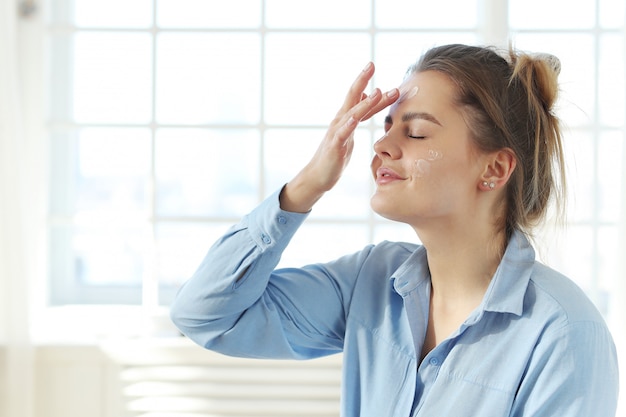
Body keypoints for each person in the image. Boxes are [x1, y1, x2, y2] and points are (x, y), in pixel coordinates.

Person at [170, 44, 619, 416]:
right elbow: (204, 315)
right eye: (385, 127)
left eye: (416, 133)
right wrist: (305, 187)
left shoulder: (563, 332)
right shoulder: (369, 281)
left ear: (494, 168)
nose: (382, 146)